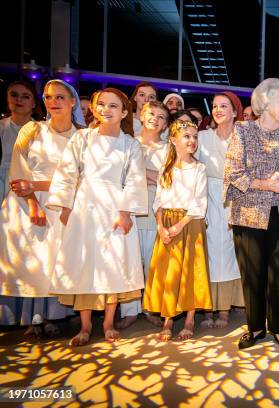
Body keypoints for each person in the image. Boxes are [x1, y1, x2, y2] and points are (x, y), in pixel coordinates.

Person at [46, 88, 148, 346]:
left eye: (114, 106)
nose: (106, 109)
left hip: (116, 208)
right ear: (93, 107)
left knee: (113, 263)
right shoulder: (82, 138)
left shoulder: (130, 144)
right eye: (101, 104)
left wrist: (126, 213)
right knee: (84, 263)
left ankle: (108, 322)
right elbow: (66, 172)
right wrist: (66, 207)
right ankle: (85, 325)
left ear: (124, 112)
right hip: (85, 207)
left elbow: (135, 180)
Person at [224, 78, 279, 353]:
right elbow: (234, 173)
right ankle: (256, 327)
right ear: (265, 103)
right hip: (248, 212)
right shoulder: (243, 130)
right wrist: (266, 184)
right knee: (253, 272)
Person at [0, 79, 84, 338]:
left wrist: (37, 184)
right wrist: (33, 201)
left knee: (53, 262)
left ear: (72, 102)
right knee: (29, 262)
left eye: (60, 97)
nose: (54, 102)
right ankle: (30, 319)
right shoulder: (32, 130)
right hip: (26, 204)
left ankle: (52, 316)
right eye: (49, 97)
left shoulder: (82, 135)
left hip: (63, 202)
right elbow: (17, 170)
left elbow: (81, 176)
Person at [144, 119, 212, 341]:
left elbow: (199, 203)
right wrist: (161, 226)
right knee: (169, 272)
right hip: (167, 222)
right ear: (173, 140)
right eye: (187, 136)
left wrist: (178, 226)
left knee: (190, 270)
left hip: (189, 224)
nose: (192, 140)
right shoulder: (167, 168)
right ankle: (168, 319)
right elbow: (159, 202)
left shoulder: (199, 168)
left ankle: (190, 319)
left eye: (195, 137)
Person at [116, 101, 170, 330]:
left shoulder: (169, 148)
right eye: (151, 114)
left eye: (160, 116)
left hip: (153, 207)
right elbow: (120, 174)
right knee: (128, 259)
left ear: (166, 123)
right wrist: (148, 175)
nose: (154, 119)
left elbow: (166, 179)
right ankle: (129, 310)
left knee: (150, 260)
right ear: (141, 115)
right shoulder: (128, 142)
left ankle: (149, 307)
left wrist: (139, 173)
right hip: (127, 206)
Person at [196, 92, 245, 328]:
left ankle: (224, 309)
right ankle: (207, 308)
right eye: (215, 106)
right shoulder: (202, 136)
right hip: (206, 195)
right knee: (207, 251)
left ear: (235, 111)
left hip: (234, 197)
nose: (218, 110)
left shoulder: (243, 137)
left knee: (228, 253)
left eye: (224, 106)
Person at [0, 81, 38, 203]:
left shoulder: (41, 131)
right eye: (14, 95)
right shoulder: (1, 127)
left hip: (30, 190)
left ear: (34, 103)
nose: (19, 100)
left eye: (25, 96)